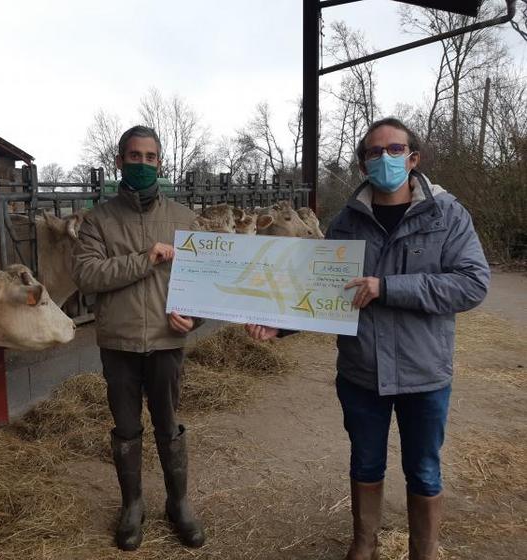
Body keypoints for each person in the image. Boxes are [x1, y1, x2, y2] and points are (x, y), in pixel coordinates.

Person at [245, 117, 490, 560]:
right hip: (363, 370)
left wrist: (387, 287)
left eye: (395, 150)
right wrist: (279, 326)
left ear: (413, 159)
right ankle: (364, 544)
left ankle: (424, 551)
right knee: (365, 461)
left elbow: (472, 284)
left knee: (424, 468)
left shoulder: (447, 214)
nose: (385, 159)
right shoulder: (346, 223)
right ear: (362, 165)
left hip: (424, 371)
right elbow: (323, 294)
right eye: (374, 152)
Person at [71, 125, 205, 551]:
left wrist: (195, 318)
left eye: (150, 157)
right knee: (127, 428)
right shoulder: (99, 220)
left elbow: (205, 281)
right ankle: (132, 507)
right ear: (119, 162)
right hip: (120, 344)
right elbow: (87, 275)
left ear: (161, 162)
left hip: (167, 341)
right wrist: (145, 260)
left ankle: (178, 503)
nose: (142, 164)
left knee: (168, 425)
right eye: (134, 156)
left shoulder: (184, 219)